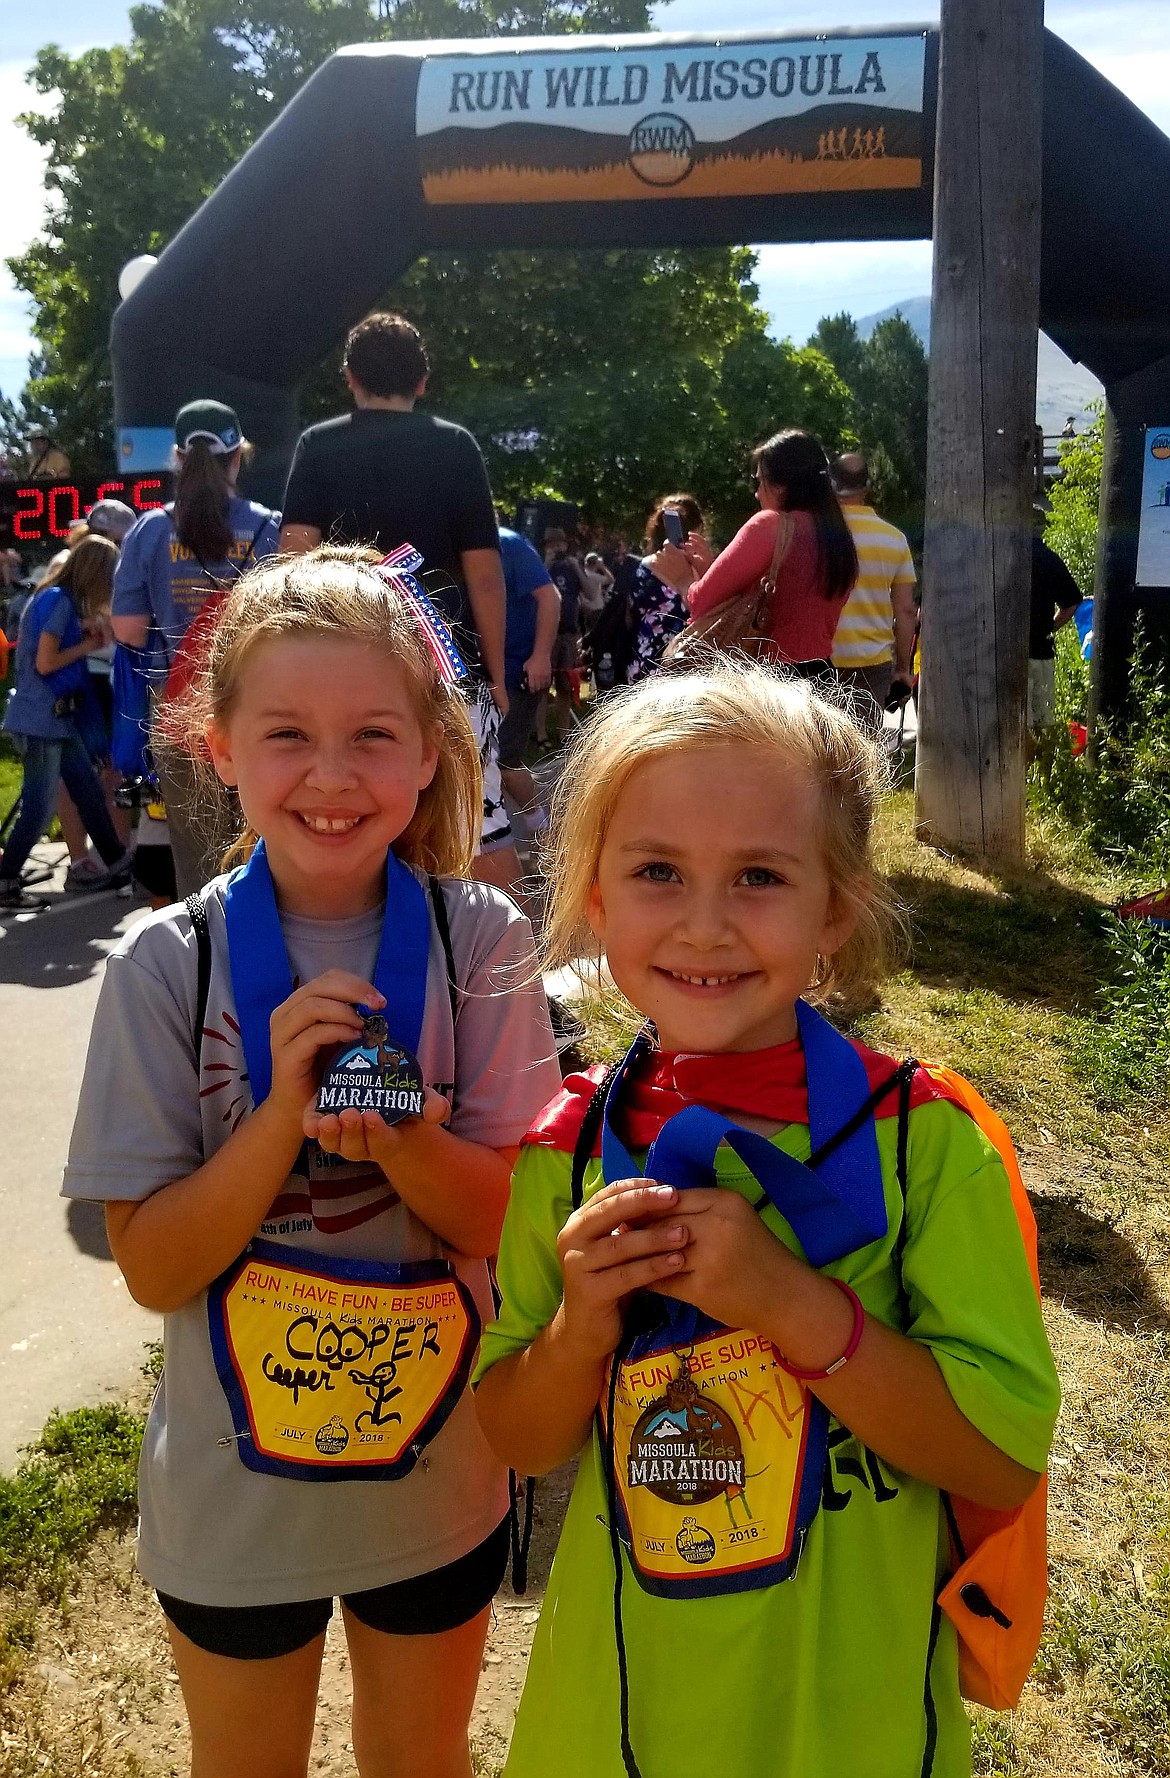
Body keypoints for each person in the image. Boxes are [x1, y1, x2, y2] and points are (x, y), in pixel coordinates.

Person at [474, 661, 1059, 1778]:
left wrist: (791, 1304)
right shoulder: (568, 1145)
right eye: (656, 870)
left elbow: (994, 1451)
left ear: (835, 905)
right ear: (595, 896)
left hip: (846, 1712)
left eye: (758, 876)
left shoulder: (922, 1142)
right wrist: (579, 1330)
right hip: (617, 1713)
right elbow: (516, 1436)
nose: (705, 925)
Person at [63, 546, 561, 1778]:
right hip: (233, 1501)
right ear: (218, 745)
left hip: (438, 1481)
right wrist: (281, 1110)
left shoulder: (481, 939)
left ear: (434, 748)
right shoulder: (162, 967)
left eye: (373, 735)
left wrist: (401, 1135)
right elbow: (155, 1263)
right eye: (286, 733)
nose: (332, 776)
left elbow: (512, 1219)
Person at [277, 312, 521, 895]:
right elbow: (485, 575)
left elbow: (293, 562)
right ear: (423, 381)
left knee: (359, 814)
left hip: (342, 663)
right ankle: (505, 968)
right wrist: (497, 674)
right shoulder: (455, 447)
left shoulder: (318, 446)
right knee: (478, 816)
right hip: (446, 662)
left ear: (348, 377)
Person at [111, 400, 280, 897]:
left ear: (178, 459)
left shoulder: (149, 530)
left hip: (178, 712)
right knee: (261, 841)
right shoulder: (270, 527)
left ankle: (205, 964)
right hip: (259, 707)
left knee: (196, 859)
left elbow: (127, 630)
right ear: (237, 457)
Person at [655, 430, 858, 675]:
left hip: (768, 682)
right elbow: (792, 597)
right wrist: (709, 568)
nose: (757, 493)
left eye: (761, 482)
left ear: (782, 487)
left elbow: (699, 602)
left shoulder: (769, 525)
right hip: (820, 675)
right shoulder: (838, 537)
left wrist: (682, 578)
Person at [1, 537, 132, 909]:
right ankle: (6, 880)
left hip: (55, 719)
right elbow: (46, 662)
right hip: (42, 720)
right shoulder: (59, 601)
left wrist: (84, 630)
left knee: (89, 793)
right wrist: (88, 646)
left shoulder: (55, 599)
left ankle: (119, 864)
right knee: (40, 809)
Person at [829, 451, 918, 730]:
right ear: (868, 486)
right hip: (872, 664)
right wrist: (902, 668)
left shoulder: (816, 535)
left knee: (818, 751)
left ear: (831, 483)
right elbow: (905, 610)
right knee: (862, 749)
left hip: (820, 660)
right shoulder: (894, 539)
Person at [498, 522, 560, 847]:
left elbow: (550, 597)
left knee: (505, 763)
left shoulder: (510, 545)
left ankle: (543, 830)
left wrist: (541, 656)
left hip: (517, 672)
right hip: (477, 675)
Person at [627, 495, 703, 682]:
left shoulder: (642, 569)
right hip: (684, 669)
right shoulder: (700, 571)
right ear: (697, 530)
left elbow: (630, 618)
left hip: (641, 666)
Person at [1030, 517, 1081, 757]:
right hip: (1040, 651)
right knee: (1042, 722)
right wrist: (1048, 627)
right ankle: (1043, 780)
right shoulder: (1049, 559)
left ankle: (1017, 776)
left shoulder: (1002, 556)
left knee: (1013, 722)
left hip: (1002, 655)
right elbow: (1072, 602)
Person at [540, 530, 586, 741]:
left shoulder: (572, 567)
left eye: (561, 544)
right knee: (542, 687)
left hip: (568, 632)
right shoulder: (540, 566)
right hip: (548, 632)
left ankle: (564, 734)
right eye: (553, 545)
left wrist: (576, 567)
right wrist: (547, 564)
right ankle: (540, 734)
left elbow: (591, 593)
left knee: (566, 685)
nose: (558, 548)